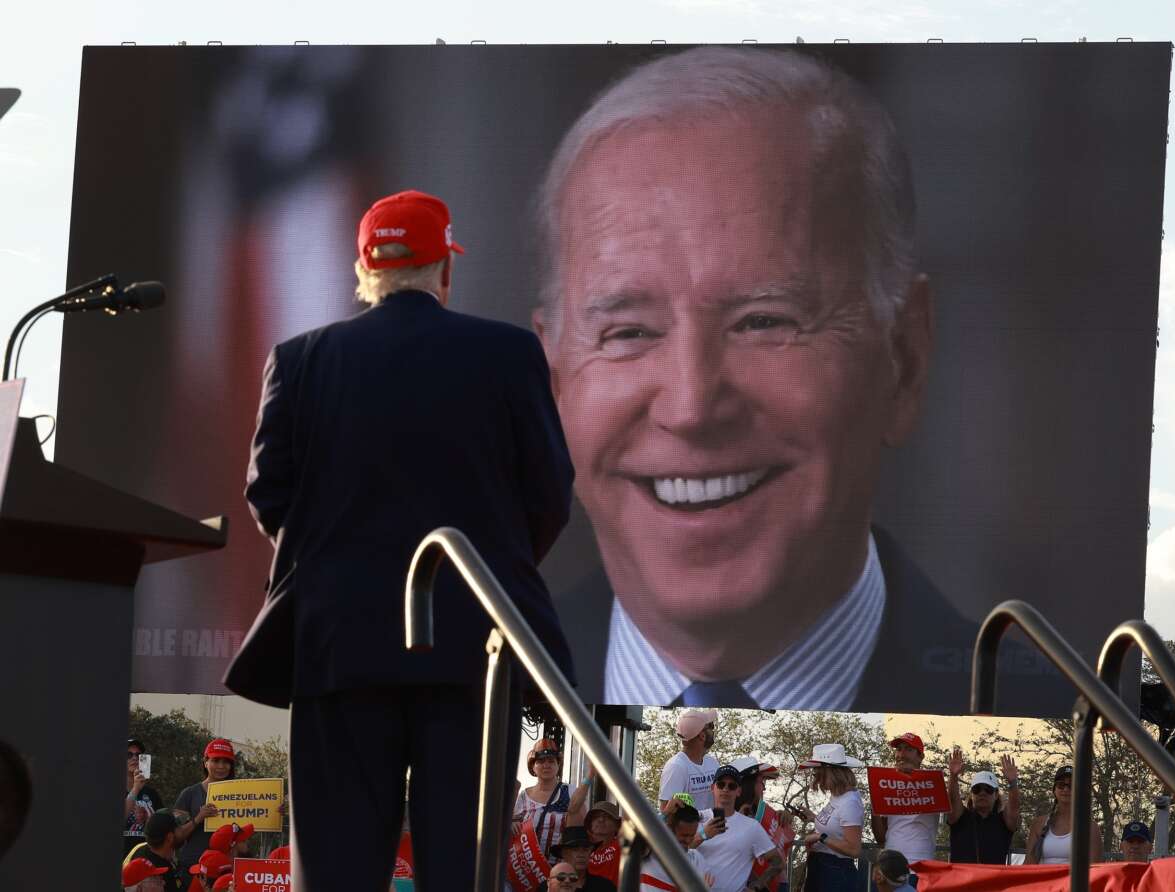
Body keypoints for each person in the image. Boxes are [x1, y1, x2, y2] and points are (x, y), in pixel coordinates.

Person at [533, 45, 1007, 714]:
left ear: (903, 358)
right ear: (553, 382)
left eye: (763, 321)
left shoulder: (1107, 739)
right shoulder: (431, 729)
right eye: (629, 333)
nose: (693, 406)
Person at [224, 188, 575, 892]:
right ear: (445, 266)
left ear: (364, 269)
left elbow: (269, 497)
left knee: (336, 872)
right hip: (476, 648)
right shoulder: (507, 353)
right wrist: (483, 578)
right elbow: (549, 494)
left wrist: (337, 570)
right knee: (461, 870)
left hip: (337, 648)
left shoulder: (301, 359)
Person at [695, 765, 784, 892]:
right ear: (712, 788)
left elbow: (778, 862)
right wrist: (703, 835)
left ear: (739, 791)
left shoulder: (751, 827)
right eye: (721, 784)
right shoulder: (697, 818)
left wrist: (757, 886)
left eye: (732, 786)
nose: (726, 789)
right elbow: (677, 852)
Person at [870, 733, 939, 884]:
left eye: (908, 749)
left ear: (921, 756)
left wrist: (953, 777)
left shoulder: (933, 783)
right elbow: (880, 838)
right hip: (888, 869)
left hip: (919, 870)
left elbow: (953, 814)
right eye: (899, 749)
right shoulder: (886, 785)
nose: (901, 754)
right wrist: (875, 803)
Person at [794, 745, 864, 891]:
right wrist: (814, 818)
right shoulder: (838, 795)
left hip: (835, 873)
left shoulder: (849, 802)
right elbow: (837, 825)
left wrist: (821, 837)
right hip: (822, 867)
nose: (816, 780)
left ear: (830, 773)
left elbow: (854, 849)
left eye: (817, 774)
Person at [513, 739, 591, 863]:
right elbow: (514, 821)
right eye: (541, 761)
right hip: (528, 868)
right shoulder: (524, 795)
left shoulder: (570, 791)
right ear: (533, 767)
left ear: (558, 765)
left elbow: (582, 827)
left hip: (561, 869)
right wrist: (513, 823)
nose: (546, 765)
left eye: (551, 761)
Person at [946, 747, 1020, 864]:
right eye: (977, 789)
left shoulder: (1003, 821)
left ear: (996, 795)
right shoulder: (961, 817)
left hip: (992, 881)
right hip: (961, 880)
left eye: (988, 789)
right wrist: (953, 776)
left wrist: (1013, 783)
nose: (982, 793)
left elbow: (1014, 808)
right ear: (971, 794)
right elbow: (952, 800)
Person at [172, 738, 234, 874]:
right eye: (216, 760)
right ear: (205, 762)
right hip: (193, 867)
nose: (221, 766)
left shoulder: (240, 794)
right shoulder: (189, 794)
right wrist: (198, 818)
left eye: (226, 762)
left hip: (225, 869)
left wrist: (272, 811)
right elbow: (175, 838)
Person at [1024, 766, 1102, 865]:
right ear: (1054, 790)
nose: (1066, 789)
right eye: (1061, 785)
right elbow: (1029, 863)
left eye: (1071, 785)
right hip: (1044, 880)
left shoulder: (1090, 827)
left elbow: (1094, 869)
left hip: (1074, 880)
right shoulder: (1039, 823)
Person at [641, 802, 714, 890]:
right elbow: (640, 837)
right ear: (669, 829)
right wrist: (665, 813)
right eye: (684, 835)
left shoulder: (697, 860)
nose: (688, 840)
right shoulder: (650, 852)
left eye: (692, 835)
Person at [659, 710, 720, 812]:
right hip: (692, 828)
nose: (713, 731)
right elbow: (665, 813)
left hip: (713, 827)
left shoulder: (712, 762)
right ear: (702, 736)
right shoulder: (676, 767)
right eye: (711, 726)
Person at [541, 826, 617, 892]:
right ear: (563, 854)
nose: (581, 855)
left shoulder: (604, 887)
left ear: (591, 852)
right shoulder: (548, 888)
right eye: (575, 849)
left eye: (586, 849)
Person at [125, 738, 164, 856]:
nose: (134, 758)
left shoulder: (151, 793)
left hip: (147, 857)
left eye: (139, 755)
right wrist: (135, 789)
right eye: (129, 754)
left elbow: (161, 825)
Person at [133, 811, 188, 892]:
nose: (183, 829)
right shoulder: (157, 877)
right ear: (170, 837)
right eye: (179, 827)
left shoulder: (140, 849)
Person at [585, 801, 622, 886]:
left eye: (608, 817)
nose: (601, 820)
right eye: (596, 817)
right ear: (590, 824)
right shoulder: (581, 846)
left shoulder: (621, 846)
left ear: (617, 826)